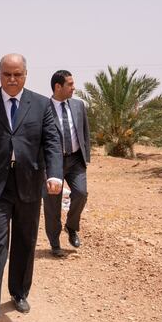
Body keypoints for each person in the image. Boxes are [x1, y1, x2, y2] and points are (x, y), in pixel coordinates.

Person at [0, 54, 63, 322]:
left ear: (25, 75)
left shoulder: (41, 104)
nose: (12, 79)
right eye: (7, 74)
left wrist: (55, 174)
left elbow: (52, 142)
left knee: (25, 240)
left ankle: (19, 292)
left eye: (17, 74)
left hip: (28, 183)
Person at [42, 70, 91, 257]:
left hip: (76, 159)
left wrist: (86, 157)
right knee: (52, 203)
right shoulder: (43, 107)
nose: (74, 88)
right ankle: (54, 243)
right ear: (58, 87)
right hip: (52, 162)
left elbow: (85, 132)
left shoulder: (78, 105)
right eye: (70, 84)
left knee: (81, 193)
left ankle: (71, 227)